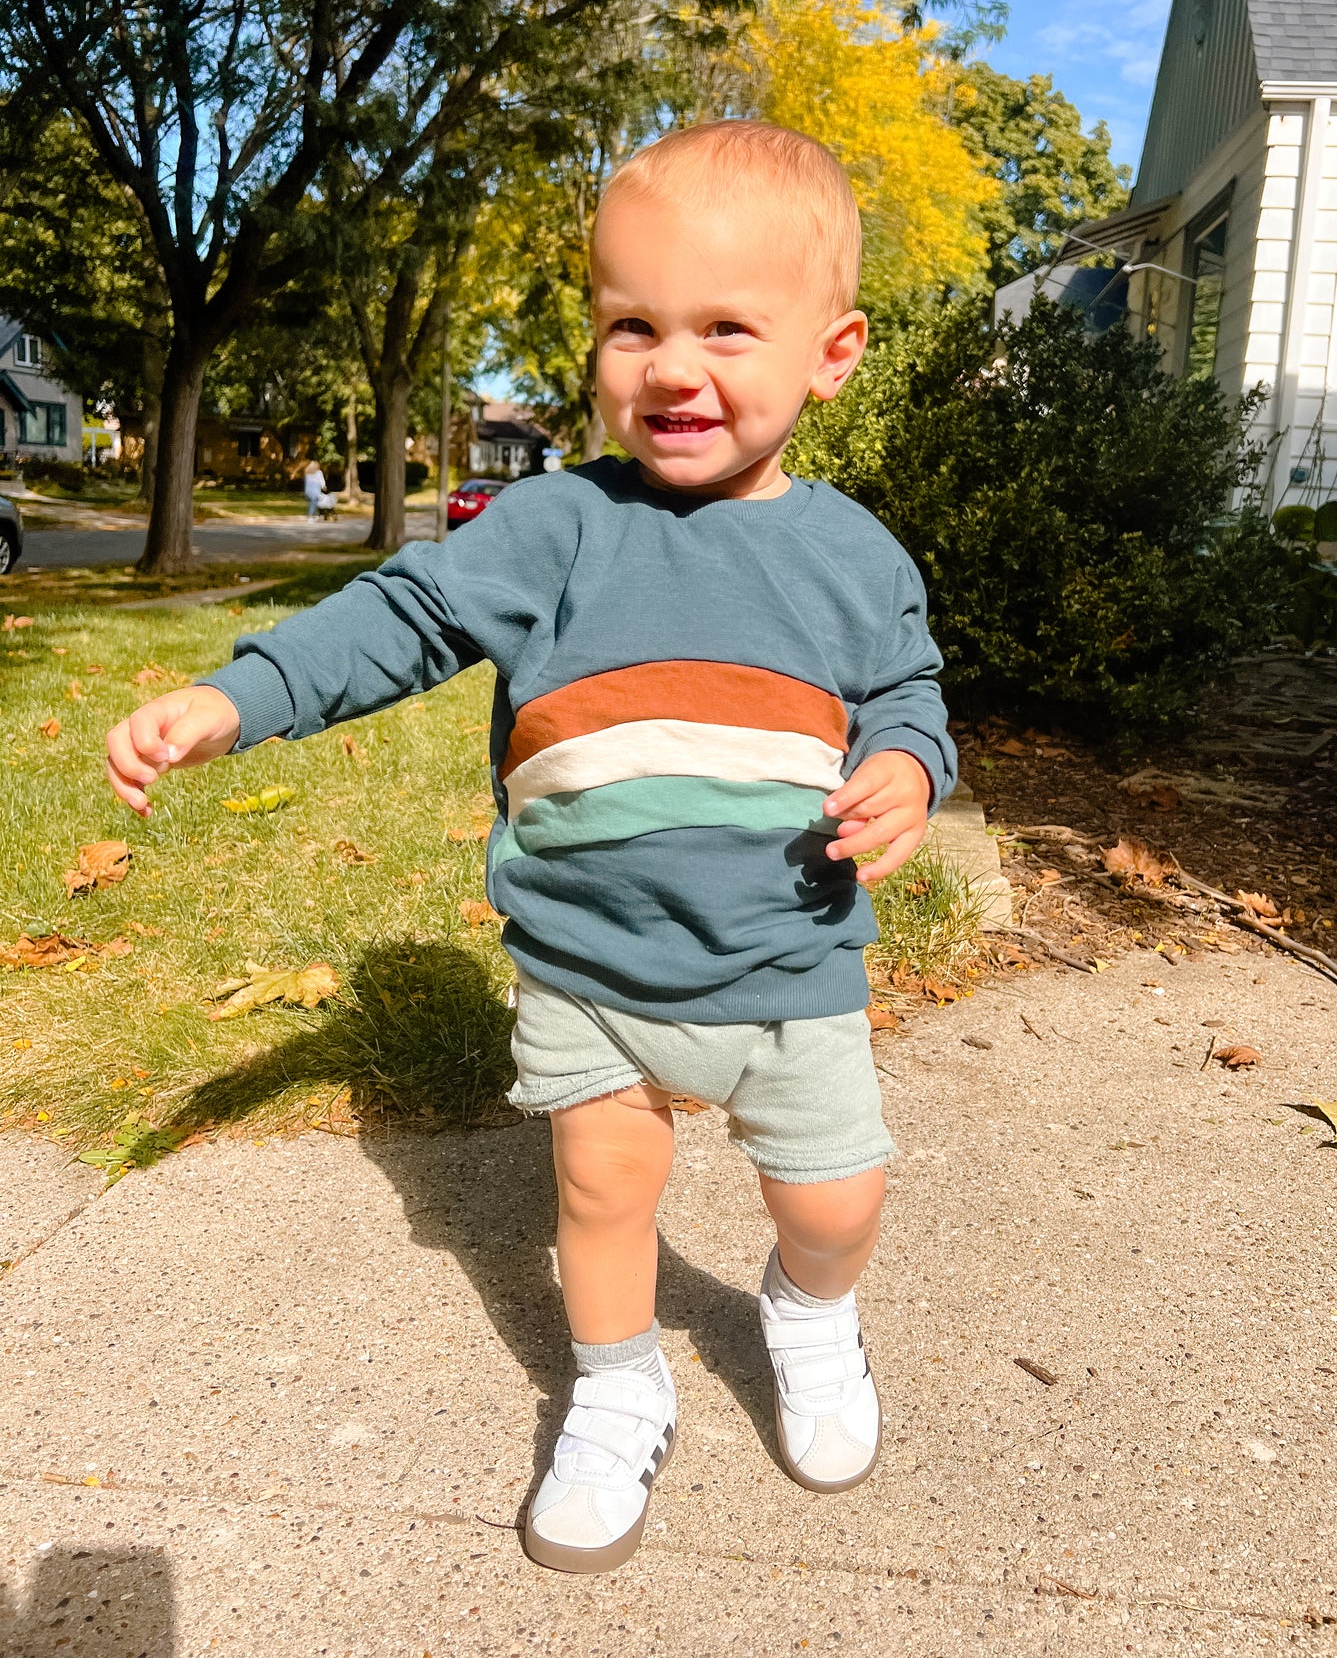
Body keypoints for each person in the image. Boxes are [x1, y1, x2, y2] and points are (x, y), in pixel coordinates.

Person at [103, 121, 956, 1575]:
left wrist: (900, 769)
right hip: (588, 959)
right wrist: (236, 697)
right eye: (633, 325)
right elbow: (403, 620)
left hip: (787, 953)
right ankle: (617, 1387)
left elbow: (906, 697)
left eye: (725, 329)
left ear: (832, 351)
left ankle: (811, 1317)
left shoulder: (854, 554)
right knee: (601, 1196)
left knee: (833, 1200)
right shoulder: (552, 525)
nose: (671, 367)